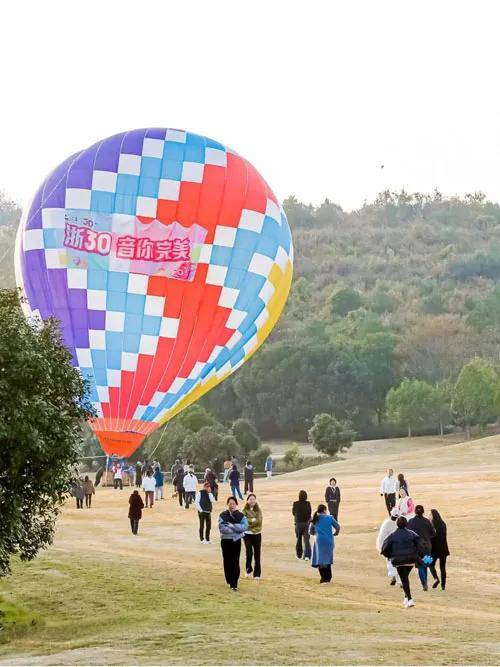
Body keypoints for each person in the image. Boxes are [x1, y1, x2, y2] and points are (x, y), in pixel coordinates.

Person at [381, 516, 420, 608]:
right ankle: (406, 598)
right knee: (405, 578)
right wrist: (417, 554)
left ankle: (410, 600)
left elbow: (384, 548)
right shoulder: (411, 533)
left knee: (404, 579)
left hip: (399, 561)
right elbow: (419, 543)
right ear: (406, 524)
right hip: (410, 560)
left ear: (396, 524)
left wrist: (389, 556)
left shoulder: (392, 535)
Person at [218, 496, 248, 591]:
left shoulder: (241, 515)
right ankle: (229, 579)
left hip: (236, 541)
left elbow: (244, 527)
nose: (232, 505)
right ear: (227, 504)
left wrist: (233, 526)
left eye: (233, 503)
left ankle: (234, 583)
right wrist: (235, 530)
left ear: (236, 504)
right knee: (227, 560)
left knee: (235, 561)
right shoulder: (223, 515)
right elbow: (222, 528)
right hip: (225, 541)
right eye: (230, 503)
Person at [309, 504, 340, 583]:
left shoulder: (315, 519)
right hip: (328, 540)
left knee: (320, 559)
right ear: (325, 510)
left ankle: (323, 578)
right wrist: (335, 533)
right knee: (327, 559)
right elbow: (337, 526)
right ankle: (328, 578)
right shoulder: (329, 518)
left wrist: (315, 534)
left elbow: (310, 531)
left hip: (319, 541)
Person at [408, 505, 436, 591]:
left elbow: (408, 534)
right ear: (423, 512)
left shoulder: (411, 521)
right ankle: (425, 582)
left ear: (415, 512)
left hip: (416, 547)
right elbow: (433, 534)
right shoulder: (427, 521)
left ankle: (424, 583)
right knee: (425, 565)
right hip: (427, 547)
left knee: (420, 566)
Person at [376, 508, 400, 585]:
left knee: (390, 562)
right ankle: (398, 580)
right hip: (388, 546)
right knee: (397, 563)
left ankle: (394, 577)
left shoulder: (386, 522)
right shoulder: (395, 525)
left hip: (383, 545)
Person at [428, 509, 450, 590]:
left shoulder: (432, 525)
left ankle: (436, 578)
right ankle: (443, 586)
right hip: (444, 549)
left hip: (434, 550)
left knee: (429, 564)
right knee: (443, 568)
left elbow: (432, 537)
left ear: (433, 516)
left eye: (429, 515)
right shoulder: (443, 524)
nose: (428, 516)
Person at [243, 493, 263, 579]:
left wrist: (251, 523)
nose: (252, 501)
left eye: (253, 499)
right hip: (247, 534)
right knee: (249, 552)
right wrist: (252, 520)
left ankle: (257, 574)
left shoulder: (258, 510)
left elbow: (259, 520)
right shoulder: (244, 510)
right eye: (250, 499)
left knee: (257, 554)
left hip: (257, 534)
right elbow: (244, 521)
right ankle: (248, 568)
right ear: (247, 500)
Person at [292, 490, 312, 560]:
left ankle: (299, 555)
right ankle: (307, 556)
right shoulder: (308, 503)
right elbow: (310, 513)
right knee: (306, 540)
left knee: (299, 539)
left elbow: (293, 513)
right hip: (306, 524)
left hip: (298, 524)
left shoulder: (295, 503)